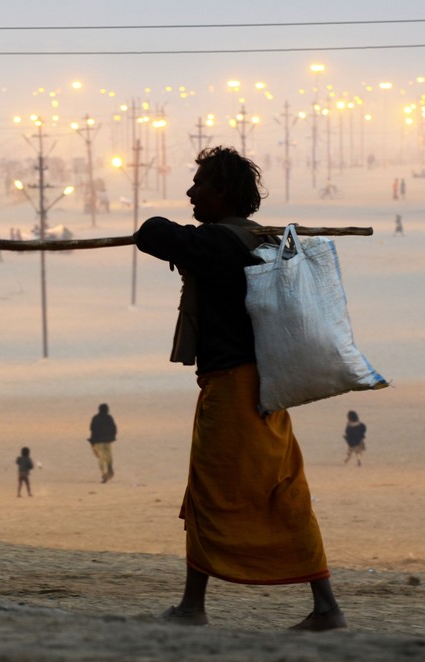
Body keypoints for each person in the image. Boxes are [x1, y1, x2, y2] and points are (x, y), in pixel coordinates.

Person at [134, 146, 345, 631]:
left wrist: (185, 233)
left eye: (200, 183)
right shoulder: (258, 243)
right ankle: (325, 607)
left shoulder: (221, 245)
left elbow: (152, 233)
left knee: (212, 491)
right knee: (281, 489)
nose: (191, 191)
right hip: (266, 386)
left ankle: (193, 607)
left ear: (222, 192)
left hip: (234, 389)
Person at [88, 403, 117, 483]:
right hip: (107, 441)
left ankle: (104, 473)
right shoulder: (109, 418)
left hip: (97, 441)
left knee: (101, 457)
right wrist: (112, 437)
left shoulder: (95, 418)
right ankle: (109, 468)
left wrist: (92, 441)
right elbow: (114, 428)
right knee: (108, 457)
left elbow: (92, 429)